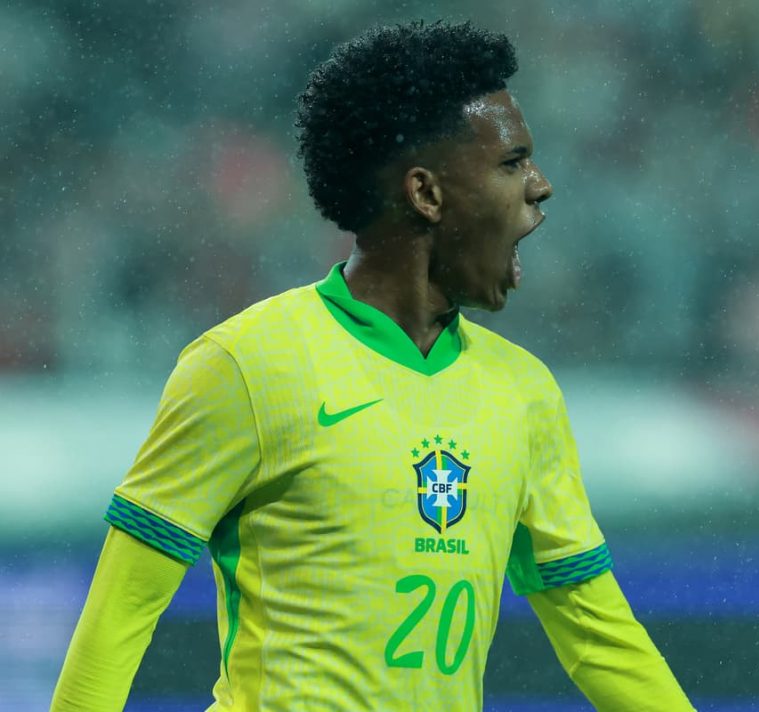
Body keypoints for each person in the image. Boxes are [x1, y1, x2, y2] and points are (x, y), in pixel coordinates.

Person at [51, 21, 694, 711]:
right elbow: (121, 613)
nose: (541, 187)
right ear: (427, 194)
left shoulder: (524, 392)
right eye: (512, 164)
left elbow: (599, 637)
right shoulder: (245, 365)